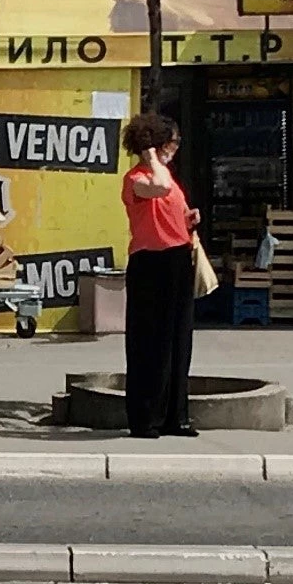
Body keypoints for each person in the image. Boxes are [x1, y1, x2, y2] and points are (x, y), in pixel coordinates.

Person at [121, 113, 200, 439]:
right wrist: (151, 156)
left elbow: (175, 210)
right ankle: (145, 418)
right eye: (171, 142)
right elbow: (159, 188)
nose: (174, 149)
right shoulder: (136, 178)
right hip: (149, 263)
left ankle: (175, 416)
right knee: (148, 343)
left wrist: (189, 220)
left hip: (177, 258)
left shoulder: (168, 178)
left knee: (179, 342)